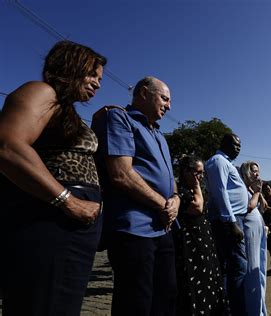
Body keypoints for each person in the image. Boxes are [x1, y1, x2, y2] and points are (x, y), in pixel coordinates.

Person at [0, 40, 106, 315]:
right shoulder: (40, 91)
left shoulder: (64, 108)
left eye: (99, 78)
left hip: (70, 224)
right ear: (71, 66)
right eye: (91, 74)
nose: (97, 83)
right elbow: (7, 146)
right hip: (51, 219)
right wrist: (68, 201)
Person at [91, 76, 179, 315]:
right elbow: (121, 174)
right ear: (143, 93)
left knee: (166, 299)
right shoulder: (119, 118)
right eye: (164, 98)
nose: (169, 106)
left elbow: (172, 185)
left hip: (164, 228)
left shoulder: (160, 135)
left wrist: (176, 201)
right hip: (134, 230)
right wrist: (163, 204)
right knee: (136, 303)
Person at [173, 155, 227, 315]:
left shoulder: (193, 189)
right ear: (186, 172)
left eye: (202, 173)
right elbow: (197, 207)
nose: (200, 177)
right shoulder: (180, 191)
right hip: (191, 245)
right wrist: (197, 187)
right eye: (198, 172)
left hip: (203, 242)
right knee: (197, 284)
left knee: (209, 280)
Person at [205, 133, 248, 315]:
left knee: (232, 267)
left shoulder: (226, 162)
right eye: (235, 144)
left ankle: (229, 307)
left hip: (233, 218)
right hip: (228, 221)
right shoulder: (218, 161)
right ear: (223, 143)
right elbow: (220, 191)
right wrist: (231, 222)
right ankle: (236, 310)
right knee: (238, 266)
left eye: (240, 145)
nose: (238, 148)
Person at [240, 161, 267, 316]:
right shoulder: (242, 189)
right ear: (246, 172)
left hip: (259, 234)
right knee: (253, 272)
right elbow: (248, 206)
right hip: (250, 236)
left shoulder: (251, 189)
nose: (257, 174)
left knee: (260, 269)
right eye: (254, 171)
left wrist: (258, 192)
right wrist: (257, 192)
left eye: (258, 171)